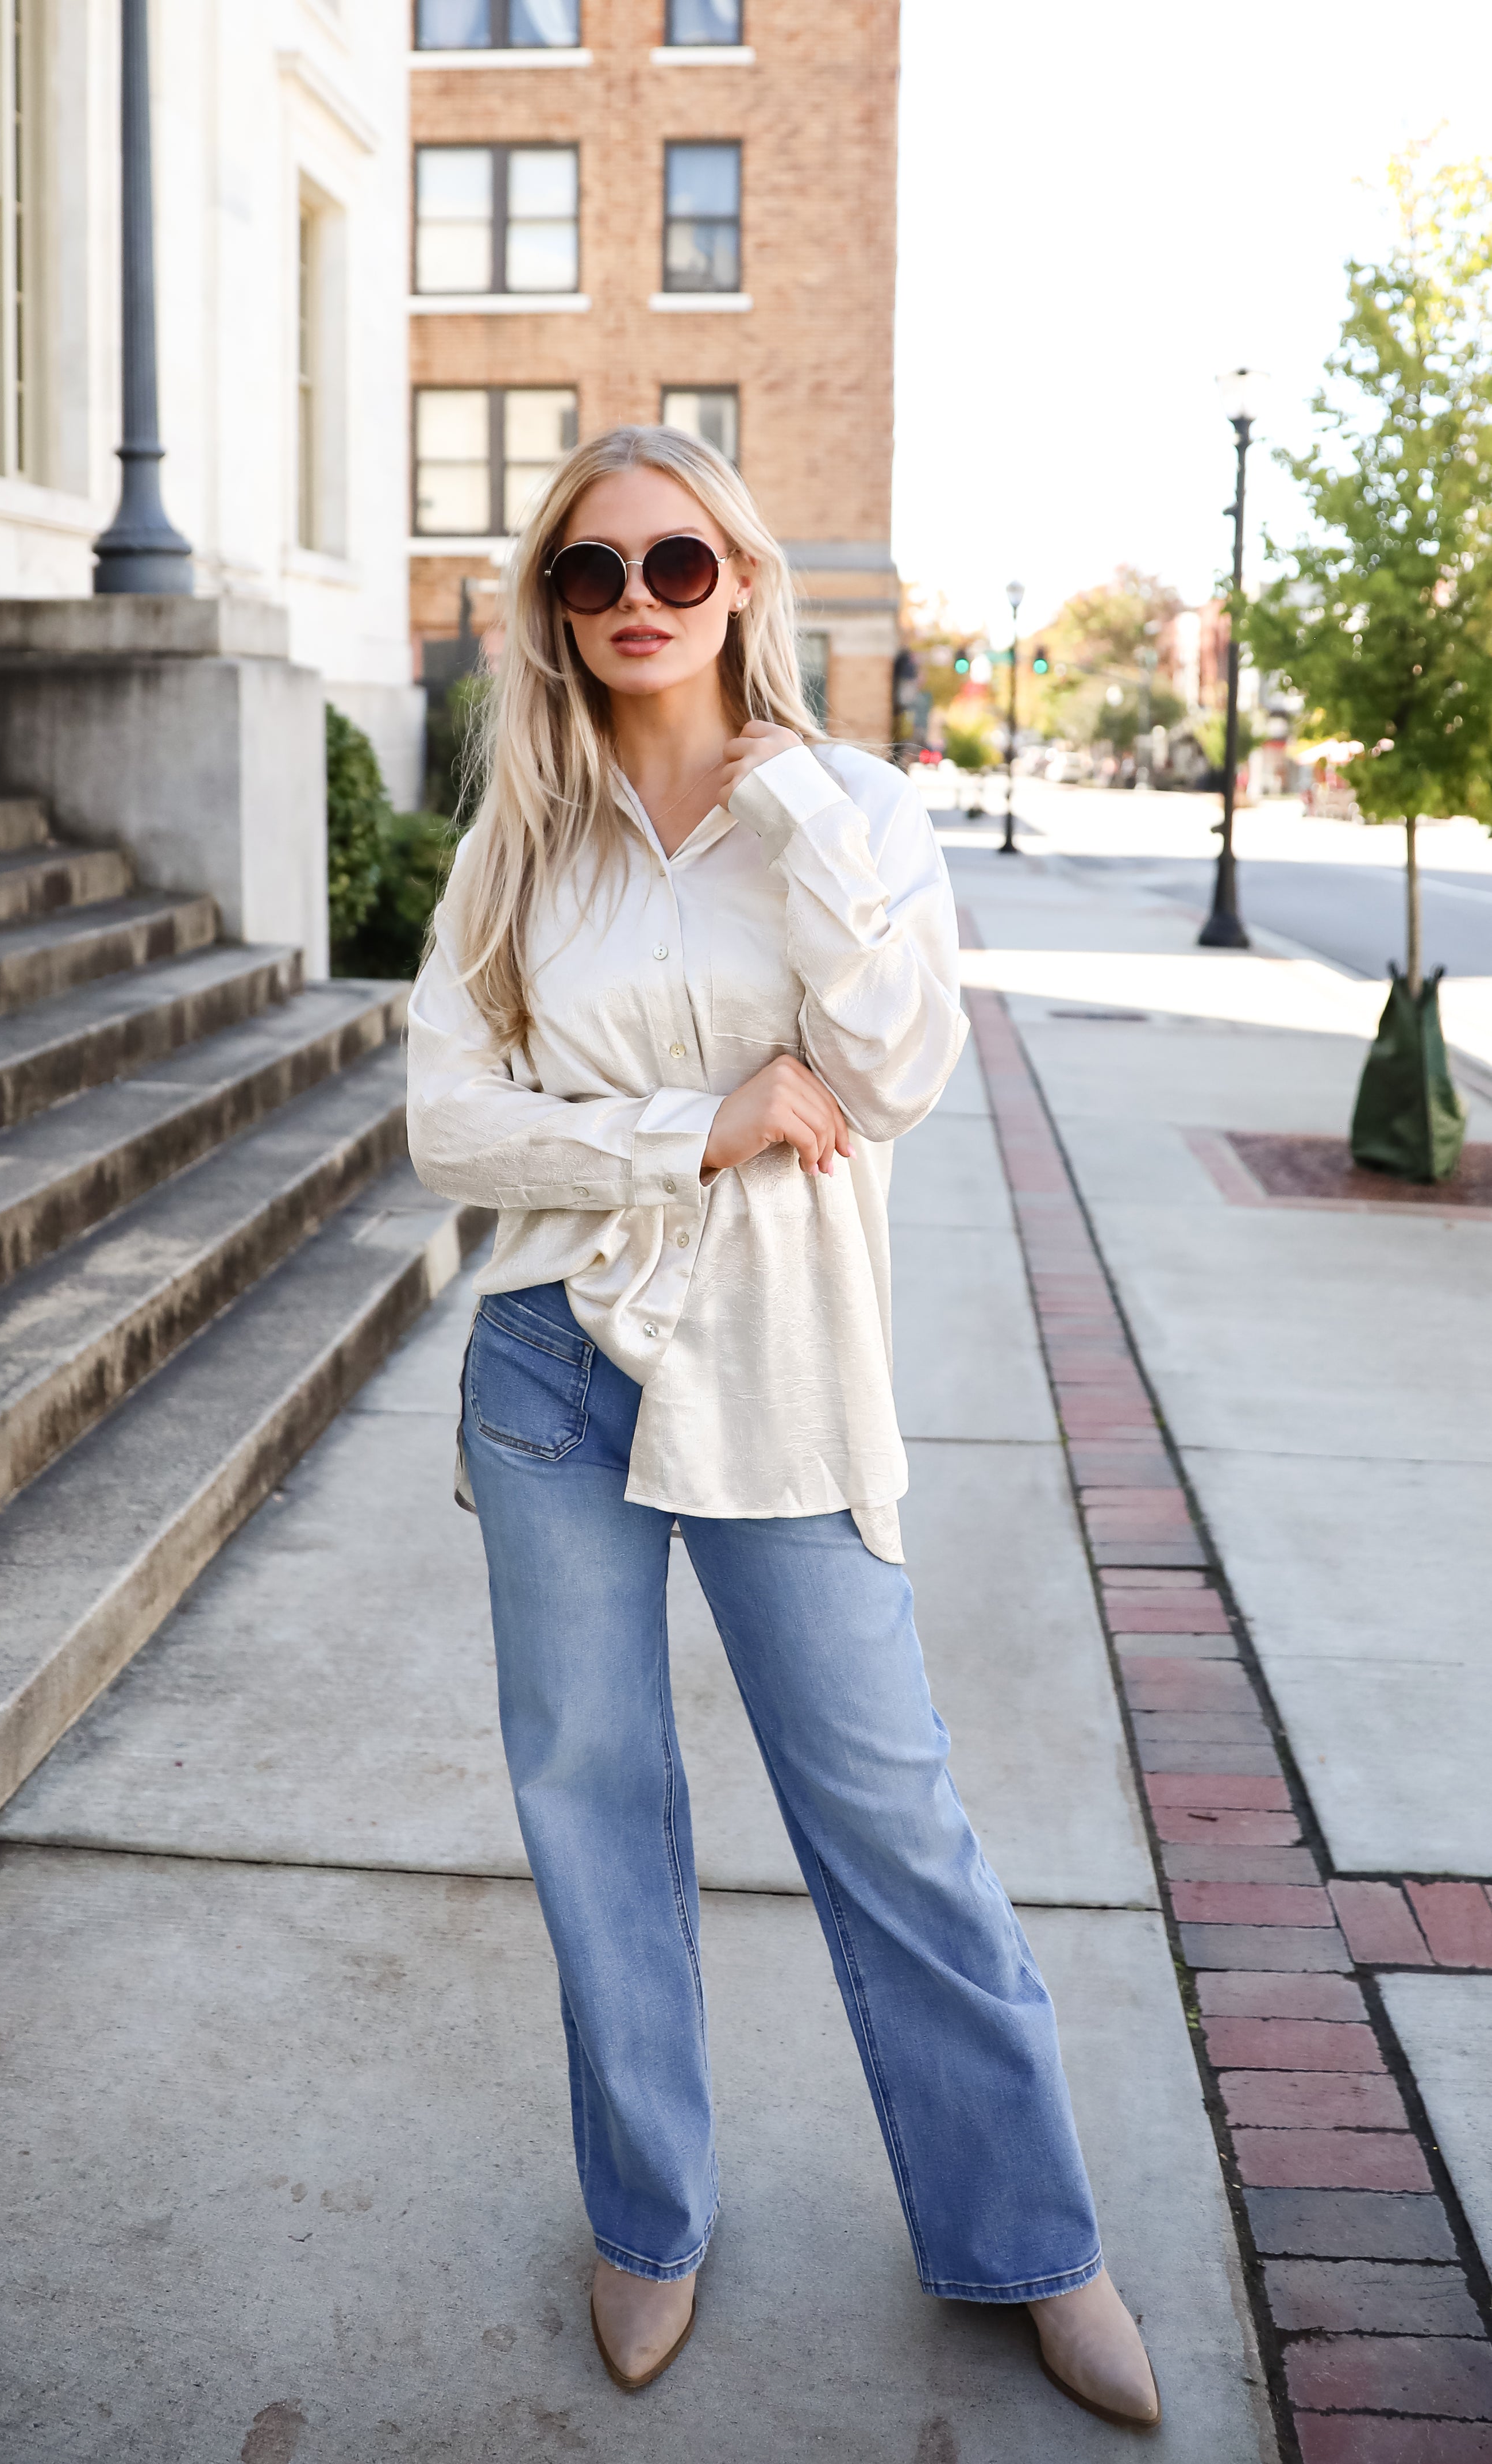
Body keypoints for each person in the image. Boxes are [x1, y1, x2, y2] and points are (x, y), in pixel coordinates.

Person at [405, 425, 1161, 2429]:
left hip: (782, 1370)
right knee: (593, 1812)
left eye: (674, 565)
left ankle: (1035, 2241)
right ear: (551, 613)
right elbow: (444, 1124)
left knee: (886, 1811)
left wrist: (804, 828)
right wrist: (700, 1123)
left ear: (739, 579)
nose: (637, 603)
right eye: (590, 576)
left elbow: (902, 1069)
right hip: (551, 1366)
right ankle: (647, 2218)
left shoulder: (853, 804)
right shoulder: (524, 842)